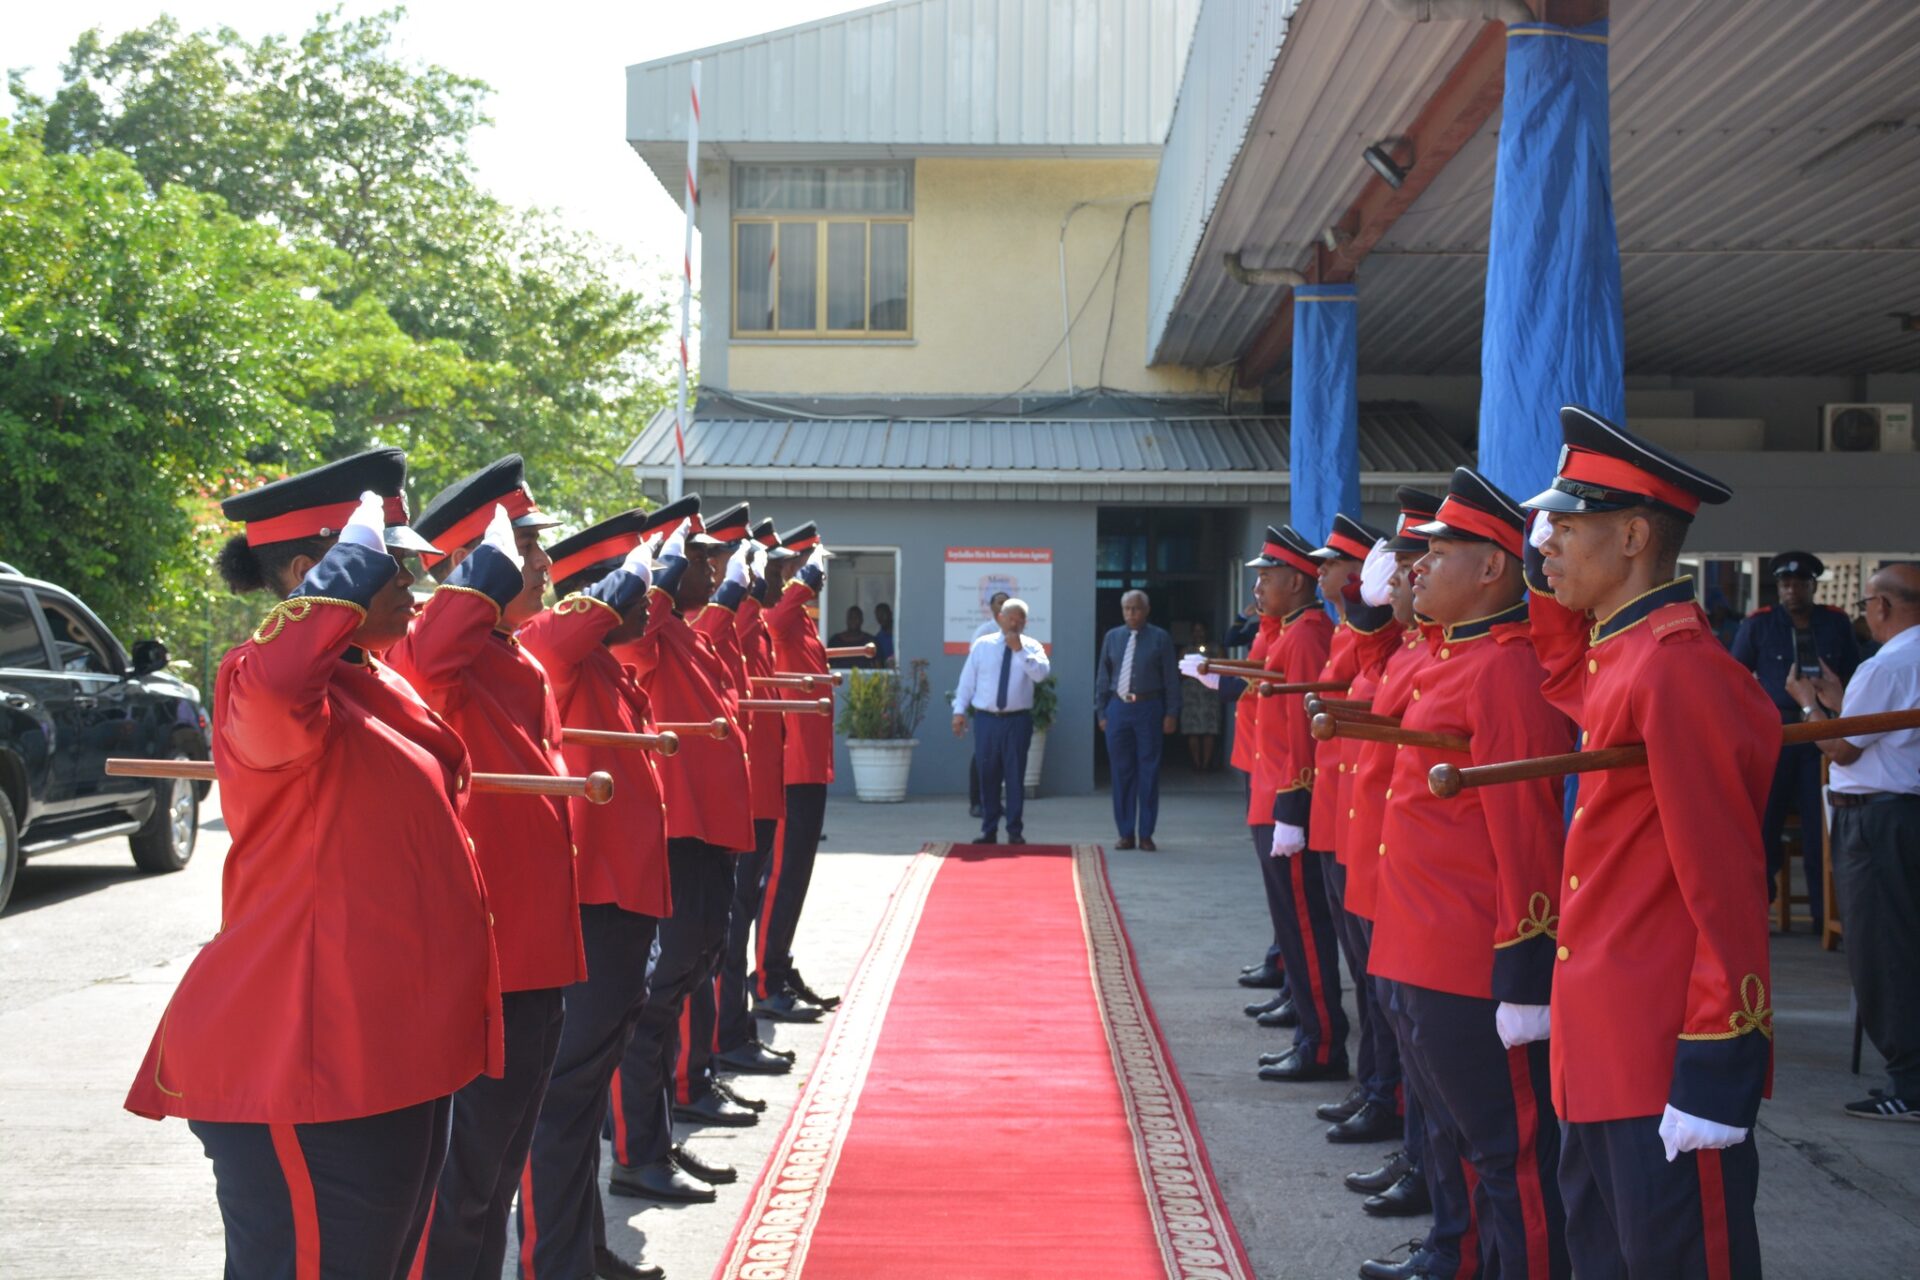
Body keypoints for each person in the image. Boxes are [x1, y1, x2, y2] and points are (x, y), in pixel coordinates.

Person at [125, 451, 499, 1280]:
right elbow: (283, 675)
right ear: (315, 573)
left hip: (384, 1053)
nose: (414, 580)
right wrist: (344, 573)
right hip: (304, 1063)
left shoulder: (369, 682)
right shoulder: (258, 686)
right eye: (388, 563)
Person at [1525, 405, 1776, 1280]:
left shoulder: (1675, 669)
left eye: (1564, 524)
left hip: (1659, 1054)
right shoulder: (1618, 656)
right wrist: (1543, 575)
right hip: (1598, 1051)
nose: (1544, 539)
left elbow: (1727, 885)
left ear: (1633, 536)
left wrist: (1718, 1054)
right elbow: (1559, 666)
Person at [1369, 469, 1573, 1279]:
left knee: (1508, 1151)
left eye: (1440, 552)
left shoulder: (1504, 671)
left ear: (1493, 568)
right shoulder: (1451, 656)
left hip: (1467, 956)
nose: (1418, 566)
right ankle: (1455, 1257)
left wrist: (1524, 963)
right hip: (1415, 943)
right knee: (1454, 1133)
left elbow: (1525, 827)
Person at [393, 455, 586, 1280]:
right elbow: (429, 649)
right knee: (467, 1179)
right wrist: (485, 567)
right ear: (483, 560)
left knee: (498, 1173)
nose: (545, 565)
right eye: (527, 550)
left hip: (541, 948)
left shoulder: (509, 652)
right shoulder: (445, 648)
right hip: (497, 949)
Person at [514, 508, 672, 1280]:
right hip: (594, 897)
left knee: (581, 1095)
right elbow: (558, 633)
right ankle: (554, 1261)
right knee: (566, 1094)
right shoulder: (557, 649)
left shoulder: (608, 663)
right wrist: (625, 576)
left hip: (626, 899)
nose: (646, 607)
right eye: (631, 595)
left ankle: (580, 1249)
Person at [605, 498, 759, 1208]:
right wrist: (665, 571)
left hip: (707, 832)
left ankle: (656, 1138)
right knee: (656, 997)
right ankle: (638, 1151)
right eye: (699, 558)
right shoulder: (646, 632)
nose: (714, 568)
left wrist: (718, 592)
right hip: (680, 831)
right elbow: (642, 623)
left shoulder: (682, 634)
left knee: (688, 974)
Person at [1787, 563, 1920, 1122]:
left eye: (1868, 605)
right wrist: (1842, 698)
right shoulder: (1898, 663)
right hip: (1901, 815)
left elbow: (1841, 749)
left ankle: (1908, 1082)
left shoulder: (1887, 662)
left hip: (1873, 820)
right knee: (1902, 941)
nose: (1866, 614)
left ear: (1883, 608)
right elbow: (1875, 729)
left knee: (1881, 950)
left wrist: (1807, 704)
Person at [1246, 526, 1347, 1086]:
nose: (1260, 586)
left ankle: (1321, 1041)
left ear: (1295, 580)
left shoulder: (1308, 635)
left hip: (1288, 794)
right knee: (1293, 921)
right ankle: (1309, 1028)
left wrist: (1294, 800)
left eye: (1268, 576)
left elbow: (1304, 733)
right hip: (1272, 790)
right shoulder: (1291, 628)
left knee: (1306, 925)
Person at [1731, 551, 1860, 925]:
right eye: (1786, 584)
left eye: (1800, 583)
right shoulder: (1759, 624)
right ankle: (1758, 913)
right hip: (1775, 732)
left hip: (1822, 732)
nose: (1792, 590)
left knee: (1820, 825)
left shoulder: (1835, 624)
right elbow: (1736, 678)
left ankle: (1824, 915)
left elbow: (1853, 674)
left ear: (1812, 586)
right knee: (1763, 825)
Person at [755, 522, 842, 1020]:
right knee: (782, 877)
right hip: (791, 766)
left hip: (811, 765)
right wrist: (804, 577)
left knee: (798, 877)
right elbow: (777, 619)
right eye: (790, 567)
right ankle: (766, 979)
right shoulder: (777, 613)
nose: (805, 578)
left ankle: (779, 964)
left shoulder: (800, 620)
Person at [952, 597, 1051, 845]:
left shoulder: (1032, 647)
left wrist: (1019, 650)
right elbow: (967, 682)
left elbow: (1040, 675)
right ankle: (989, 830)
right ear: (1000, 619)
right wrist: (959, 711)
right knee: (988, 774)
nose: (1014, 622)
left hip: (1017, 721)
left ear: (1025, 622)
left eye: (1019, 618)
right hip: (987, 720)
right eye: (1010, 617)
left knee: (1015, 775)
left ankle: (1015, 831)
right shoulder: (983, 645)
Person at [1095, 590, 1180, 851]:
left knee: (1148, 771)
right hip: (1118, 709)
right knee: (1121, 773)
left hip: (1148, 707)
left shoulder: (1160, 638)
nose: (1132, 614)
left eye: (1136, 609)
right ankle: (1125, 833)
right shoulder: (1112, 637)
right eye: (1127, 609)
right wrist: (1101, 712)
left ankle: (1146, 834)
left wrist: (1171, 713)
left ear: (1147, 609)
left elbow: (1170, 679)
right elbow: (1102, 677)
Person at [968, 591, 1011, 819]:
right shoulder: (983, 633)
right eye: (999, 602)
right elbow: (973, 669)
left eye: (1007, 602)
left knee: (1001, 757)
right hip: (985, 704)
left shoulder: (1016, 633)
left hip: (1007, 707)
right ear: (991, 607)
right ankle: (977, 802)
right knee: (982, 756)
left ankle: (994, 803)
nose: (1003, 605)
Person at [1178, 620, 1223, 772]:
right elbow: (1180, 672)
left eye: (1201, 630)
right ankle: (1196, 764)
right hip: (1191, 695)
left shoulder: (1216, 648)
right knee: (1193, 730)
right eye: (1196, 631)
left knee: (1210, 730)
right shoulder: (1186, 650)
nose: (1199, 634)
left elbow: (1224, 669)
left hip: (1210, 694)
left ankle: (1206, 764)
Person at [829, 604, 875, 669]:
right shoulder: (835, 641)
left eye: (856, 617)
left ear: (861, 620)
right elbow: (827, 665)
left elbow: (878, 667)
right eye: (851, 617)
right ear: (847, 620)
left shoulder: (870, 641)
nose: (853, 620)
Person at [873, 600, 896, 667]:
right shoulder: (878, 639)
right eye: (878, 615)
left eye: (883, 614)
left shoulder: (900, 632)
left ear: (890, 614)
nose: (881, 617)